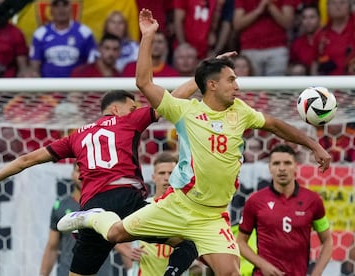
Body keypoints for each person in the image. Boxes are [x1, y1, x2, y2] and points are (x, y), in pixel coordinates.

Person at [56, 9, 331, 276]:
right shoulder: (185, 111)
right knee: (115, 233)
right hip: (179, 204)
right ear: (212, 85)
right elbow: (143, 82)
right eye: (231, 79)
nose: (237, 85)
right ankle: (88, 217)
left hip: (213, 215)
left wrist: (314, 145)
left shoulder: (241, 111)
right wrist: (149, 35)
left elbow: (274, 124)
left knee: (230, 273)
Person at [0, 87, 199, 276]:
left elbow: (27, 159)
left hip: (93, 207)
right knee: (189, 242)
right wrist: (202, 77)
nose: (135, 109)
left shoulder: (76, 136)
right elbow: (171, 98)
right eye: (132, 106)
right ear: (116, 109)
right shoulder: (128, 121)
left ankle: (84, 219)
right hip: (128, 199)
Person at [237, 144, 333, 276]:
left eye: (287, 163)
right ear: (270, 168)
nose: (282, 168)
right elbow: (240, 242)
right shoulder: (255, 201)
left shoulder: (312, 200)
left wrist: (316, 273)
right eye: (276, 163)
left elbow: (327, 240)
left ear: (295, 166)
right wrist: (262, 265)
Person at [130, 151, 189, 275]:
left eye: (171, 173)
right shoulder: (142, 208)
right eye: (162, 173)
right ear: (153, 177)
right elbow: (113, 231)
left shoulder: (186, 210)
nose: (167, 178)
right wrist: (126, 250)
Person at [28, 0, 97, 77]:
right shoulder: (40, 34)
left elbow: (92, 65)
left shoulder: (84, 32)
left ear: (71, 8)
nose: (61, 9)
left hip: (77, 86)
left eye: (65, 4)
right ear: (50, 10)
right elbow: (34, 68)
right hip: (48, 86)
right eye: (56, 5)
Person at [39, 163, 81, 276]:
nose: (82, 175)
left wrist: (131, 268)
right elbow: (52, 247)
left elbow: (119, 241)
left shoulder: (103, 204)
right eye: (78, 171)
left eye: (87, 171)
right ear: (72, 174)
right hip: (66, 272)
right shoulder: (60, 206)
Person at [233, 0, 295, 76]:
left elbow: (288, 23)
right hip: (250, 49)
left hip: (276, 49)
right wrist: (258, 10)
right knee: (250, 87)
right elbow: (237, 24)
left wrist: (270, 6)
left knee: (276, 87)